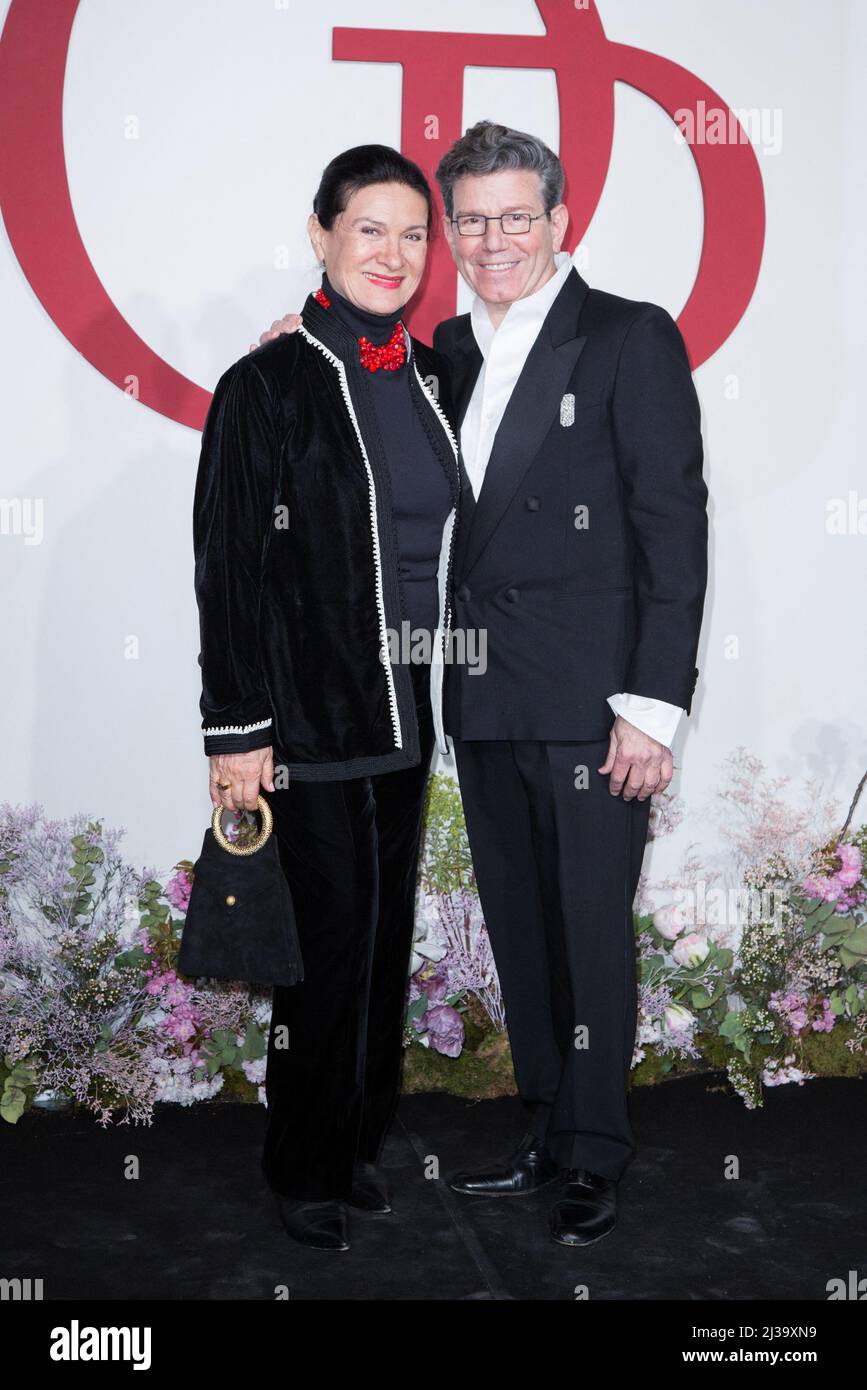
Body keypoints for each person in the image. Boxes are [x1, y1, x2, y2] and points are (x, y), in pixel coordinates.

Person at [257, 118, 709, 1249]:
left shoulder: (628, 338)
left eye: (517, 215)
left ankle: (596, 1152)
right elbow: (355, 401)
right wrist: (294, 346)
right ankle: (548, 1127)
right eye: (472, 220)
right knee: (521, 928)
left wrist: (652, 705)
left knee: (593, 933)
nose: (493, 237)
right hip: (481, 699)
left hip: (598, 708)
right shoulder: (441, 350)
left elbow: (672, 527)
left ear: (562, 221)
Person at [193, 144, 461, 1252]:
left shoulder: (436, 376)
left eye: (413, 235)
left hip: (405, 710)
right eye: (369, 230)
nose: (392, 254)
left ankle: (355, 1142)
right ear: (320, 233)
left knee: (382, 936)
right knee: (327, 946)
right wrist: (238, 735)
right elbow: (227, 571)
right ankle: (301, 1162)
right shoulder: (265, 386)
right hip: (305, 723)